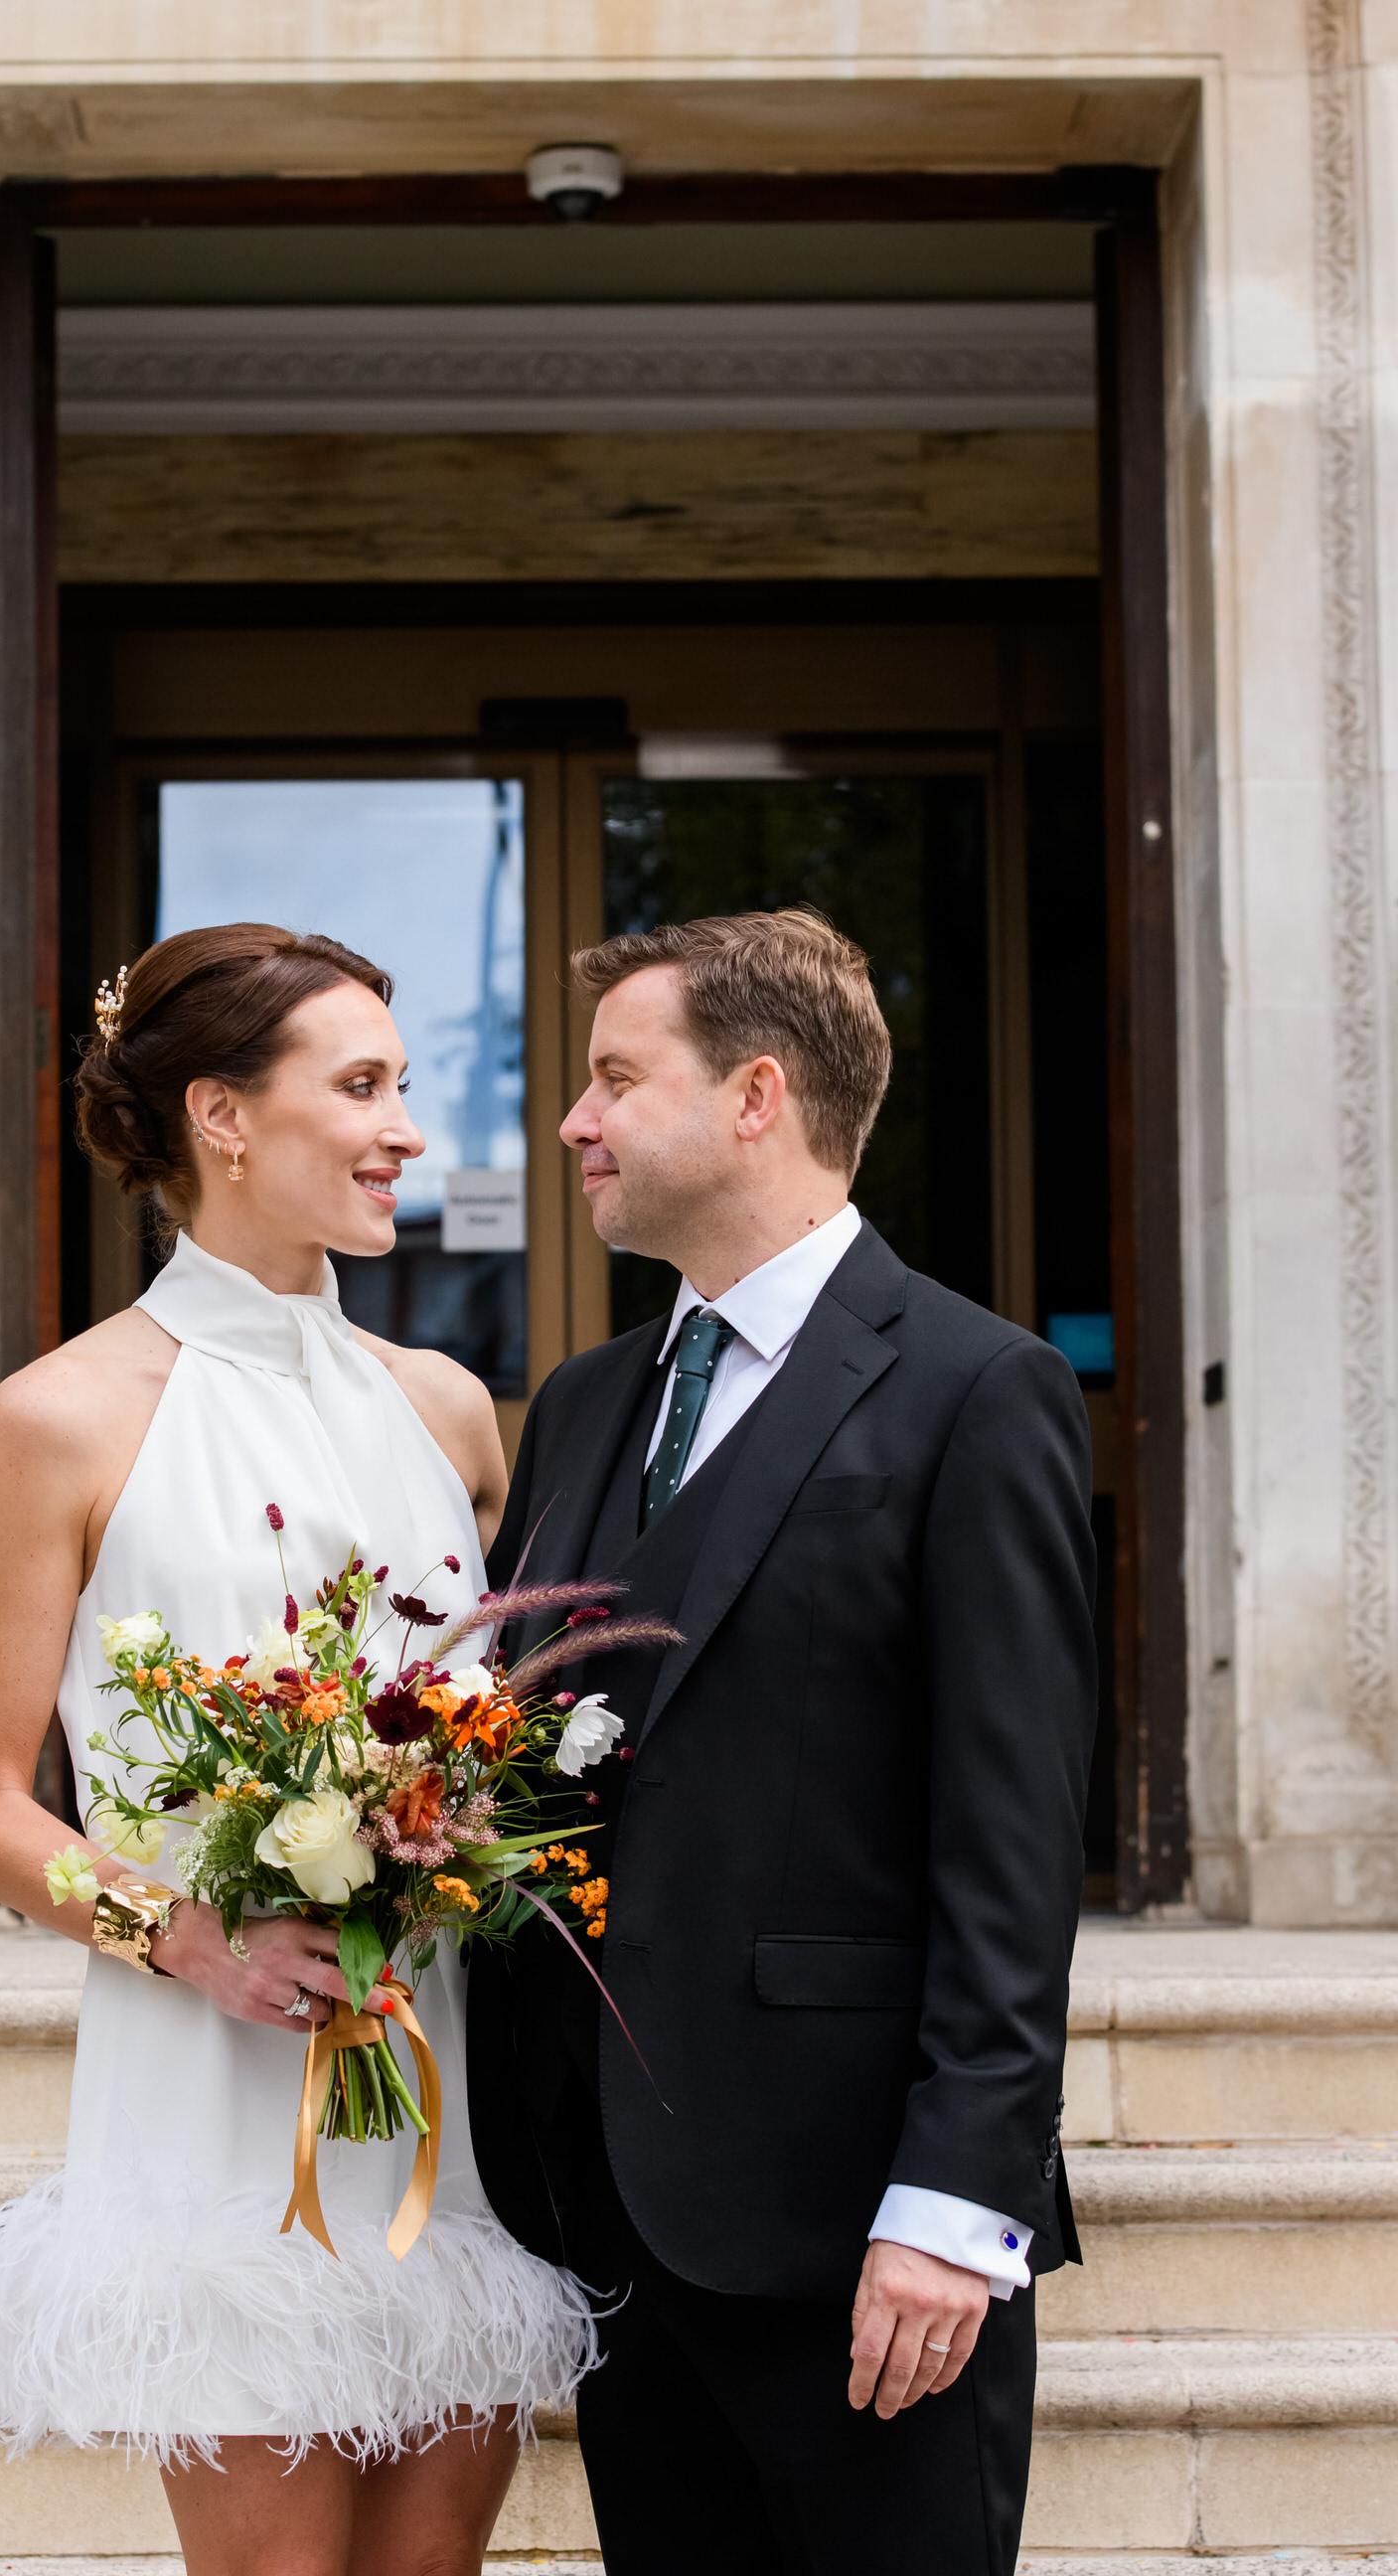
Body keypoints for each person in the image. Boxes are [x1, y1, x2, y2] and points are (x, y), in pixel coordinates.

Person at [0, 923, 591, 2576]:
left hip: (441, 2071)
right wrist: (184, 1930)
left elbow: (474, 1713)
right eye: (362, 1086)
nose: (407, 1131)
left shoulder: (447, 1406)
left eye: (403, 1085)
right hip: (214, 2086)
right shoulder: (63, 1419)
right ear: (224, 1118)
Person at [466, 907, 1097, 2576]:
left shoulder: (979, 1389)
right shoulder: (590, 1401)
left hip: (858, 2231)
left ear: (757, 1096)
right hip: (607, 2212)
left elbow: (1013, 1843)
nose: (571, 1122)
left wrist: (960, 2209)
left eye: (613, 1077)